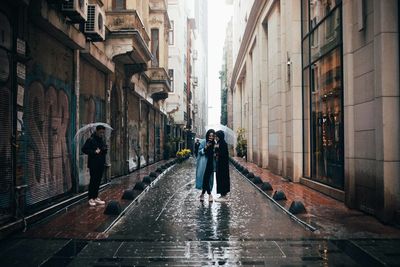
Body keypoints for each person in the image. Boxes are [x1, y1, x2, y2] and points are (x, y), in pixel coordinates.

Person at [82, 125, 108, 207]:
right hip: (93, 164)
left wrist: (104, 149)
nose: (102, 134)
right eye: (100, 132)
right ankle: (91, 198)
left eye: (103, 132)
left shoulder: (102, 140)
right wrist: (93, 152)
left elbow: (103, 150)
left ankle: (96, 196)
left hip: (101, 163)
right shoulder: (90, 140)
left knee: (98, 181)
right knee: (93, 181)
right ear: (96, 131)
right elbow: (84, 149)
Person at [195, 129, 216, 202]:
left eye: (212, 136)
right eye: (210, 135)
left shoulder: (214, 143)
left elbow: (215, 154)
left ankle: (202, 194)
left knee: (207, 179)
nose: (211, 137)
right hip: (204, 164)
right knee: (206, 178)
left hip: (211, 163)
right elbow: (200, 152)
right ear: (207, 135)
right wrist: (206, 147)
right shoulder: (203, 142)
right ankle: (210, 195)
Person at [215, 130, 230, 201]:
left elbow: (223, 154)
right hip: (219, 164)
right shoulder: (218, 143)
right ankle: (222, 194)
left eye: (216, 136)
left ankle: (224, 194)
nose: (215, 138)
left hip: (223, 165)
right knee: (219, 178)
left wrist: (217, 153)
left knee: (223, 178)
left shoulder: (223, 143)